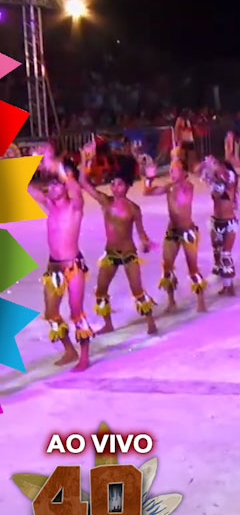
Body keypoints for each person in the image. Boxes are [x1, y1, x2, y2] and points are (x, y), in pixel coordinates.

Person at [79, 145, 158, 336]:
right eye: (113, 184)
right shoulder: (106, 202)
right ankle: (108, 324)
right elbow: (83, 183)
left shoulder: (133, 209)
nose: (115, 188)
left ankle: (151, 322)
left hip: (129, 254)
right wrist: (84, 160)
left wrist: (146, 242)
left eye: (119, 184)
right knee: (101, 290)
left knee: (137, 290)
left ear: (128, 186)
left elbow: (141, 233)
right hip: (111, 254)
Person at [28, 147, 93, 369]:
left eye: (57, 184)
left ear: (65, 186)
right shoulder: (50, 206)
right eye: (50, 185)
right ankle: (69, 350)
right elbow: (25, 187)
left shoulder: (75, 206)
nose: (52, 188)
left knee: (76, 312)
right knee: (51, 313)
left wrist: (57, 166)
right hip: (54, 267)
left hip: (74, 266)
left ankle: (84, 356)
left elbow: (74, 185)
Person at [154, 155, 207, 314]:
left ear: (184, 172)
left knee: (193, 268)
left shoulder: (188, 186)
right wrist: (149, 178)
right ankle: (171, 302)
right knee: (167, 266)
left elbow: (183, 195)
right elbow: (147, 192)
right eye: (170, 170)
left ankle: (201, 301)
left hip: (187, 231)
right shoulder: (169, 187)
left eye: (175, 170)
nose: (171, 173)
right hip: (172, 231)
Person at [200, 133, 240, 296]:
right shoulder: (213, 180)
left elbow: (226, 179)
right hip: (215, 221)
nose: (215, 167)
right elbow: (198, 172)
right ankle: (225, 283)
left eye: (218, 164)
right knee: (217, 251)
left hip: (229, 222)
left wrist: (228, 147)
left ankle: (230, 285)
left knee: (225, 254)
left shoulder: (230, 181)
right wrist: (206, 165)